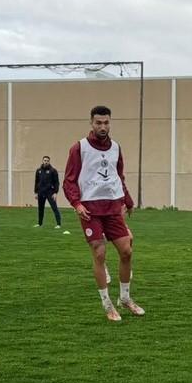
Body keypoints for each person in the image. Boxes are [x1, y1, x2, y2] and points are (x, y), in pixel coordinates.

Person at [64, 105, 144, 321]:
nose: (102, 126)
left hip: (112, 207)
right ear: (91, 123)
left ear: (110, 123)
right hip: (90, 209)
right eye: (98, 122)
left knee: (126, 251)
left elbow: (119, 176)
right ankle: (107, 304)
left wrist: (127, 200)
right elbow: (69, 180)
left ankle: (125, 298)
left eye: (106, 122)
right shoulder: (79, 148)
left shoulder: (116, 148)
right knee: (99, 253)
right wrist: (76, 204)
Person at [34, 155, 62, 229]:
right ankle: (40, 224)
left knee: (54, 208)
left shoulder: (53, 171)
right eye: (44, 160)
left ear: (49, 161)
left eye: (47, 161)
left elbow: (56, 182)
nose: (46, 162)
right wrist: (36, 192)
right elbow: (36, 182)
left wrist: (55, 192)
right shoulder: (38, 170)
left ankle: (58, 224)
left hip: (50, 193)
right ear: (42, 161)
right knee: (40, 209)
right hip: (41, 192)